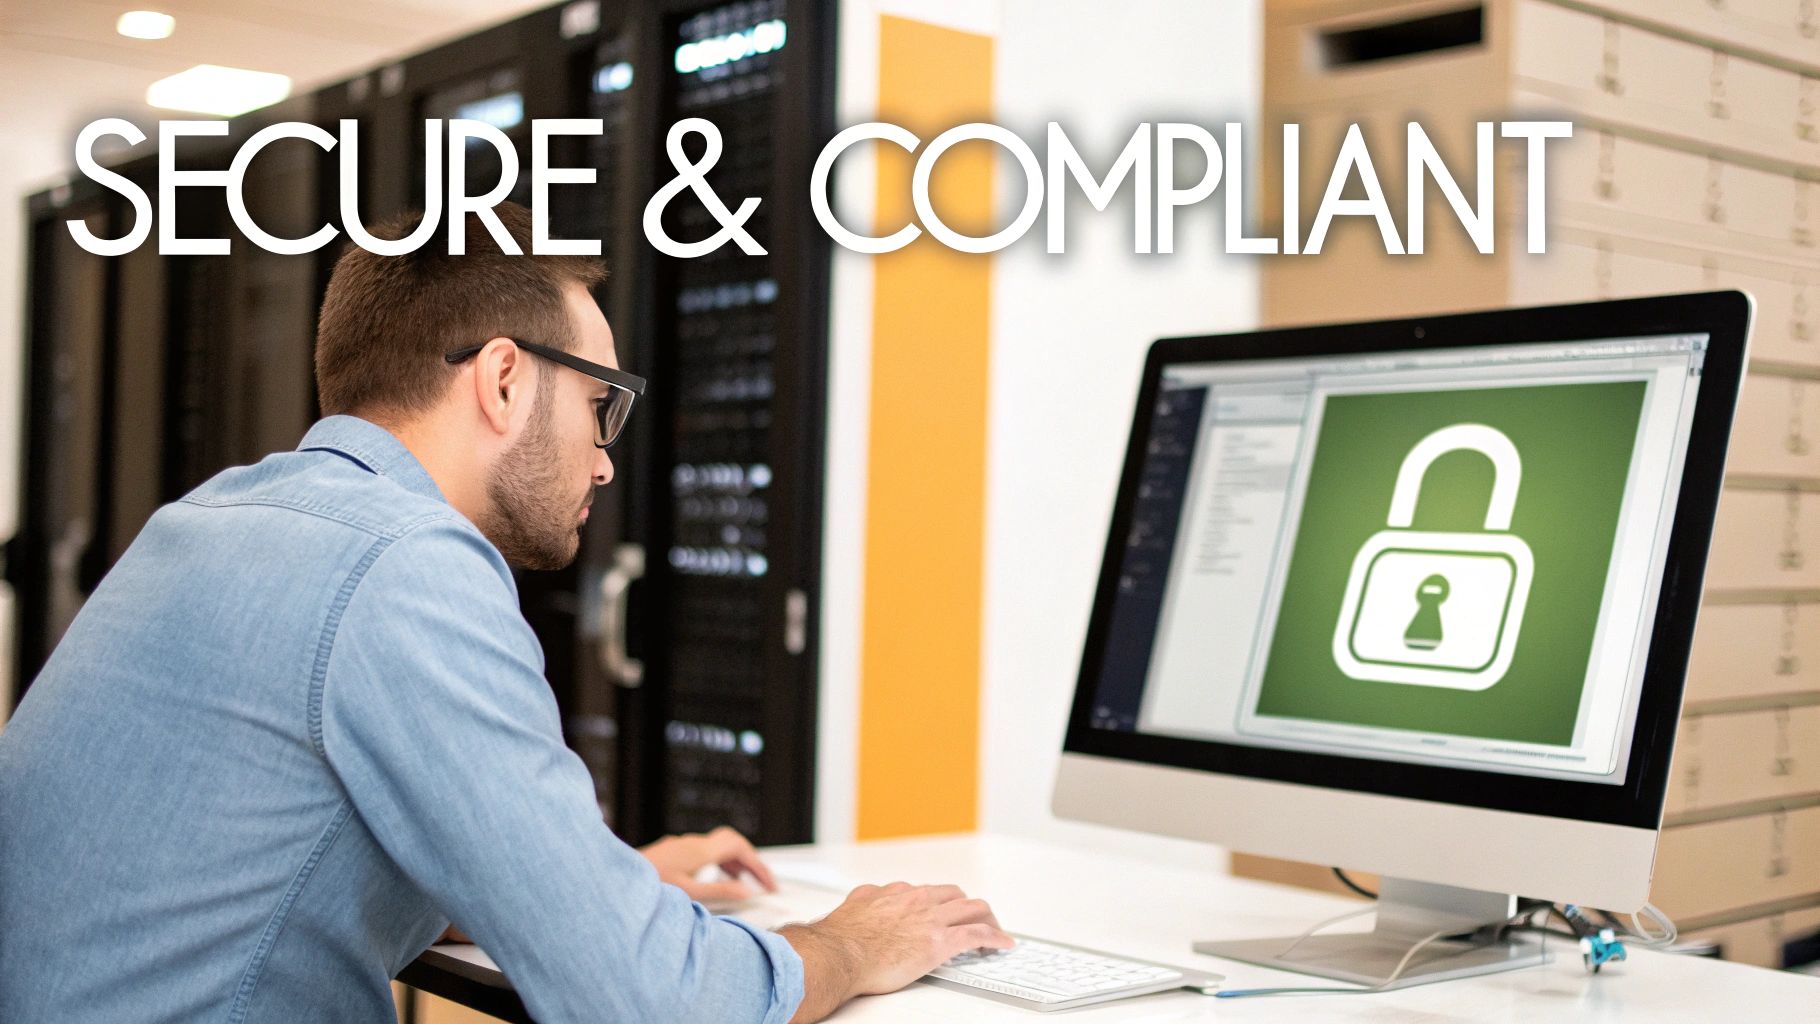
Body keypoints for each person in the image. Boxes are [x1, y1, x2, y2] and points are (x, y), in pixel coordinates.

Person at [0, 202, 1012, 1023]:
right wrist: (846, 943)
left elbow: (235, 866)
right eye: (598, 403)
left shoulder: (216, 517)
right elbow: (644, 1000)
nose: (606, 456)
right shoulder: (406, 564)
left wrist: (597, 879)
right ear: (502, 377)